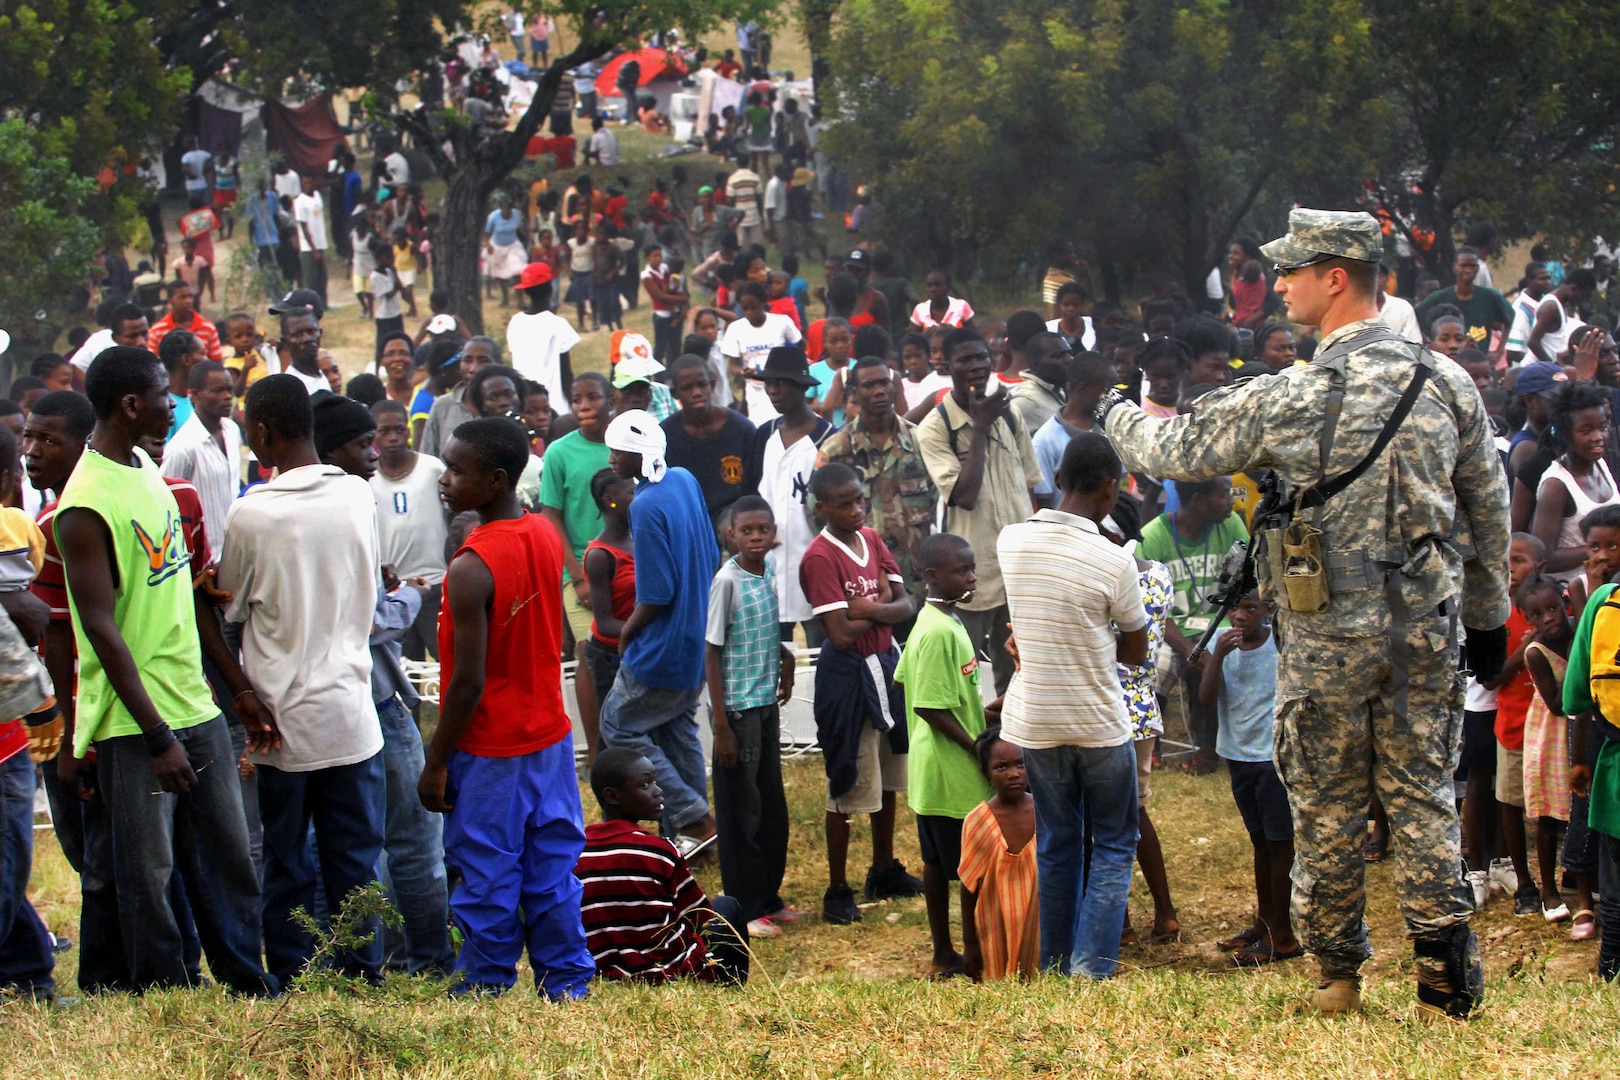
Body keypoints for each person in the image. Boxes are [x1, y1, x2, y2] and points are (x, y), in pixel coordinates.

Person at [1101, 209, 1510, 1018]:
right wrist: (1491, 618)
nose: (1277, 283)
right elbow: (1487, 513)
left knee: (1325, 801)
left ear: (1337, 278)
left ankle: (1337, 979)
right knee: (1423, 793)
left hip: (1326, 632)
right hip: (1424, 623)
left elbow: (1164, 452)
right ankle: (1443, 980)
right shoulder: (1449, 382)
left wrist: (1117, 405)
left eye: (1292, 271)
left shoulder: (1291, 393)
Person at [55, 347, 275, 995]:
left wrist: (232, 687)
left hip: (194, 703)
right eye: (161, 392)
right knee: (148, 870)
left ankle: (243, 976)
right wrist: (155, 736)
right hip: (135, 720)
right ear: (130, 405)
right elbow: (100, 628)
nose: (170, 402)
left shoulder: (147, 468)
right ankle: (165, 989)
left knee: (229, 857)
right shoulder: (85, 504)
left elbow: (181, 591)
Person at [220, 378, 388, 987]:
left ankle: (292, 979)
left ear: (263, 432)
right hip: (350, 711)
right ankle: (362, 977)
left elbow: (229, 603)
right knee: (355, 862)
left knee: (287, 863)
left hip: (280, 719)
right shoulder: (356, 497)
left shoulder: (254, 512)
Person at [419, 416, 595, 998]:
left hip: (491, 749)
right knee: (552, 869)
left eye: (456, 470)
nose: (444, 479)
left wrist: (436, 760)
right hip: (549, 737)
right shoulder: (545, 533)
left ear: (494, 480)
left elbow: (467, 683)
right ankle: (567, 984)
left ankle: (484, 988)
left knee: (487, 874)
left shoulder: (469, 568)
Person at [312, 396, 453, 976]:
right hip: (371, 696)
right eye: (362, 445)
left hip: (316, 701)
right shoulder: (348, 512)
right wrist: (413, 593)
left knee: (336, 844)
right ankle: (427, 958)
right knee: (413, 838)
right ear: (329, 450)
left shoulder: (272, 512)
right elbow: (370, 623)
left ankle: (345, 962)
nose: (374, 455)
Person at [800, 463, 920, 924]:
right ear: (822, 508)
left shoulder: (871, 539)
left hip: (885, 667)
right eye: (844, 503)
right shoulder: (819, 557)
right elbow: (840, 633)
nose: (855, 509)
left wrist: (867, 608)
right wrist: (882, 607)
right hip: (848, 678)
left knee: (889, 774)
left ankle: (883, 867)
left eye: (859, 500)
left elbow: (906, 604)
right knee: (849, 777)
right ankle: (837, 887)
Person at [596, 410, 720, 852]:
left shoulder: (643, 505)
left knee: (619, 725)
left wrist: (629, 629)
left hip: (662, 644)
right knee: (676, 727)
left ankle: (693, 818)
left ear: (640, 453)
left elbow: (658, 591)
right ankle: (694, 832)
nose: (610, 459)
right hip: (697, 632)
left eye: (617, 451)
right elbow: (709, 549)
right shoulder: (683, 479)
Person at [916, 328, 1042, 696]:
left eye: (981, 358)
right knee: (964, 671)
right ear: (947, 365)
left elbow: (1032, 484)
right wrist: (982, 425)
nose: (975, 366)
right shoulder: (936, 428)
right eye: (965, 359)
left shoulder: (1012, 414)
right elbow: (965, 496)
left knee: (1018, 670)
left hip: (1018, 568)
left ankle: (1011, 745)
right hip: (971, 571)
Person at [892, 532, 992, 975]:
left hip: (939, 766)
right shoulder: (935, 631)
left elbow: (904, 680)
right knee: (964, 866)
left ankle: (944, 952)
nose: (971, 577)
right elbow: (928, 705)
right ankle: (969, 955)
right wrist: (978, 746)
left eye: (972, 569)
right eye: (962, 571)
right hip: (951, 769)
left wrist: (982, 713)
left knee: (938, 862)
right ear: (932, 576)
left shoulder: (941, 622)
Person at [704, 495, 798, 937]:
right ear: (731, 535)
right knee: (742, 810)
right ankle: (743, 906)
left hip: (764, 703)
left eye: (763, 529)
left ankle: (769, 898)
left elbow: (761, 629)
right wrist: (721, 725)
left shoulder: (770, 571)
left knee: (770, 805)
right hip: (737, 711)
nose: (756, 537)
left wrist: (786, 659)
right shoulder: (727, 581)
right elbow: (713, 649)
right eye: (747, 531)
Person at [576, 748, 750, 985]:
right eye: (645, 785)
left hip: (602, 971)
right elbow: (698, 916)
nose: (658, 791)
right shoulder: (660, 851)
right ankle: (729, 986)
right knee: (728, 908)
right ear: (612, 796)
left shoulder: (577, 852)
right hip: (665, 970)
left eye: (655, 782)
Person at [1197, 590, 1300, 965]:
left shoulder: (1279, 645)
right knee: (1260, 842)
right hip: (1238, 756)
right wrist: (1218, 657)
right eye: (1235, 608)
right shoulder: (1222, 647)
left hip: (1269, 760)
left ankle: (1283, 936)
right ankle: (1263, 923)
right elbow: (1206, 699)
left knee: (1279, 845)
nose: (1240, 616)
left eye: (1250, 608)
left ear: (1267, 610)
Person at [818, 355, 938, 602]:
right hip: (862, 589)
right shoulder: (836, 451)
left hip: (916, 586)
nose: (879, 391)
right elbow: (817, 515)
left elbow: (937, 503)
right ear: (854, 391)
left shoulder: (920, 442)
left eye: (884, 383)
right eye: (869, 385)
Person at [749, 348, 835, 642]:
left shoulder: (829, 440)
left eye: (781, 383)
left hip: (815, 566)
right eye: (768, 383)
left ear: (801, 386)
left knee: (821, 654)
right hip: (768, 565)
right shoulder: (763, 436)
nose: (772, 390)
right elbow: (750, 496)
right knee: (771, 660)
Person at [1517, 574, 1584, 926]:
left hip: (1584, 731)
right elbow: (1558, 705)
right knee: (1548, 814)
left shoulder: (1579, 632)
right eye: (1539, 614)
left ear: (1565, 604)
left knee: (1583, 811)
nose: (1549, 619)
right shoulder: (1536, 651)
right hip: (1552, 735)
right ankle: (1549, 890)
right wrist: (1577, 657)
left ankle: (1580, 877)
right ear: (1528, 620)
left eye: (1553, 609)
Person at [958, 727, 1039, 981]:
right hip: (994, 927)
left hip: (1039, 926)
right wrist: (970, 944)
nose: (1013, 774)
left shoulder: (1046, 812)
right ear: (986, 775)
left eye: (1020, 764)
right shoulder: (978, 821)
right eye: (1001, 767)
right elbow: (968, 886)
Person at [540, 372, 612, 660]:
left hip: (626, 565)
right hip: (580, 567)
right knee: (589, 654)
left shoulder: (627, 445)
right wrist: (578, 576)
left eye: (593, 397)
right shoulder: (558, 452)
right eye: (576, 400)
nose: (584, 406)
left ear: (611, 400)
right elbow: (551, 515)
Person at [370, 399, 448, 661]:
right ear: (374, 436)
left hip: (434, 581)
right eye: (384, 431)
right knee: (403, 664)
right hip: (393, 589)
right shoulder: (367, 477)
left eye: (399, 430)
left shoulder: (432, 468)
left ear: (409, 430)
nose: (393, 438)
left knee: (446, 654)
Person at [661, 354, 758, 534]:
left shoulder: (741, 429)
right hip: (687, 516)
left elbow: (755, 482)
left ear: (712, 384)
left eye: (702, 385)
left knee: (735, 531)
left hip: (734, 513)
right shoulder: (665, 435)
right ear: (675, 393)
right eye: (687, 388)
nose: (696, 392)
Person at [1531, 381, 1616, 583]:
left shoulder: (1601, 464)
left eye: (1602, 427)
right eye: (1586, 431)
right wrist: (1603, 546)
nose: (1598, 437)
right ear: (1566, 434)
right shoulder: (1556, 485)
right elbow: (1544, 558)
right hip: (1576, 595)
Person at [579, 468, 636, 766]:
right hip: (609, 657)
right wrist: (648, 629)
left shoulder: (638, 539)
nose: (638, 497)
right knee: (612, 735)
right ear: (609, 500)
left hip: (635, 647)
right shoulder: (600, 555)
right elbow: (605, 623)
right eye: (631, 493)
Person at [159, 361, 240, 565]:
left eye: (229, 390)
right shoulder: (183, 447)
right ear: (193, 394)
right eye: (218, 391)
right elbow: (165, 505)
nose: (227, 396)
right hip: (203, 560)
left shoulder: (232, 431)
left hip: (235, 553)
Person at [1031, 353, 1112, 504]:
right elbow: (1044, 502)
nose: (1110, 398)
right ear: (1083, 389)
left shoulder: (1109, 431)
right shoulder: (1045, 441)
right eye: (1105, 391)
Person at [722, 280, 804, 419]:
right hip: (756, 393)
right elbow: (733, 366)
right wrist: (743, 372)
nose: (749, 313)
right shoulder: (736, 329)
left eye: (753, 307)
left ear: (763, 303)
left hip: (781, 389)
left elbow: (801, 344)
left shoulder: (781, 322)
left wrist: (792, 367)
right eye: (745, 308)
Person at [506, 262, 579, 413]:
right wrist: (574, 405)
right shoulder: (558, 324)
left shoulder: (515, 322)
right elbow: (566, 372)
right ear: (550, 289)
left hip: (525, 403)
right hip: (555, 406)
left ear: (525, 291)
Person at [421, 336, 498, 458]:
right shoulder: (442, 406)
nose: (473, 369)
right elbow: (428, 458)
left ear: (499, 365)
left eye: (483, 360)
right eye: (467, 360)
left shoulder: (506, 406)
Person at [1526, 269, 1597, 366]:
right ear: (1574, 288)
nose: (1583, 301)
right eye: (1584, 296)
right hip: (1536, 369)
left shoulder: (1561, 306)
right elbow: (1533, 343)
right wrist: (1553, 367)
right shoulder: (1551, 307)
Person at [145, 280, 222, 363]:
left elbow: (216, 361)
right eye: (182, 297)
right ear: (170, 300)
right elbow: (153, 363)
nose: (188, 301)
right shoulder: (157, 330)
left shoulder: (207, 327)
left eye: (190, 296)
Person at [293, 175, 330, 306]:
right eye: (305, 183)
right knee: (311, 278)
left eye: (310, 182)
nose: (308, 185)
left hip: (321, 244)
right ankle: (312, 306)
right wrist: (313, 248)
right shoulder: (299, 202)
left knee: (322, 276)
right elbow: (303, 226)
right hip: (309, 247)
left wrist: (320, 247)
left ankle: (324, 303)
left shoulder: (318, 196)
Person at [910, 270, 975, 331]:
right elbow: (912, 339)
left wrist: (955, 332)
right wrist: (926, 335)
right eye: (929, 286)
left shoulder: (961, 306)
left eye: (938, 285)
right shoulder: (920, 310)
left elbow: (974, 334)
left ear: (948, 287)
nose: (933, 289)